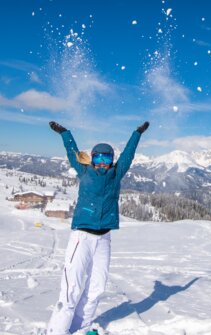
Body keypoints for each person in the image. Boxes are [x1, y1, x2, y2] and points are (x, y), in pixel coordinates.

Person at [47, 120, 149, 335]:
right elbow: (71, 151)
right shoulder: (84, 171)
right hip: (81, 237)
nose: (102, 163)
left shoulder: (116, 173)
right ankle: (56, 331)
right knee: (71, 290)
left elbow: (128, 155)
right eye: (98, 158)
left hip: (104, 239)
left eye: (107, 159)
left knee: (96, 289)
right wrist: (65, 133)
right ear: (92, 159)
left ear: (112, 161)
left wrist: (136, 134)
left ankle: (78, 329)